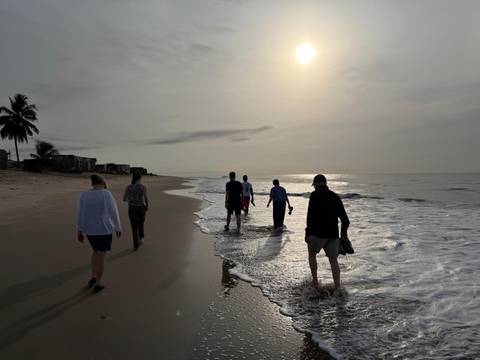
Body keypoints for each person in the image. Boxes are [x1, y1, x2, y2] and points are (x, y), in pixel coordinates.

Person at [77, 174, 122, 293]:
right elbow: (113, 211)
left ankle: (93, 276)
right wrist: (118, 227)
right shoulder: (106, 193)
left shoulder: (84, 194)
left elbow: (81, 213)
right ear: (102, 182)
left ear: (92, 183)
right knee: (101, 255)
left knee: (95, 252)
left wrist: (80, 229)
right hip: (104, 229)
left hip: (90, 230)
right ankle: (98, 283)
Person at [305, 174, 350, 290]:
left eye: (314, 185)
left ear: (315, 185)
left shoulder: (314, 195)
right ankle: (338, 287)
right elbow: (345, 220)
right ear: (325, 184)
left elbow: (310, 216)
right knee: (333, 260)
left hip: (317, 234)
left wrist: (307, 233)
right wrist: (343, 235)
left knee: (312, 255)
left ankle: (315, 283)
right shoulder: (335, 196)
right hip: (333, 235)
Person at [123, 173, 149, 250]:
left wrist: (130, 201)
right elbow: (146, 198)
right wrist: (147, 206)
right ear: (140, 178)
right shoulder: (143, 187)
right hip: (141, 208)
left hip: (132, 208)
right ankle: (141, 238)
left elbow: (124, 198)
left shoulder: (128, 187)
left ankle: (136, 244)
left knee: (134, 227)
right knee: (141, 224)